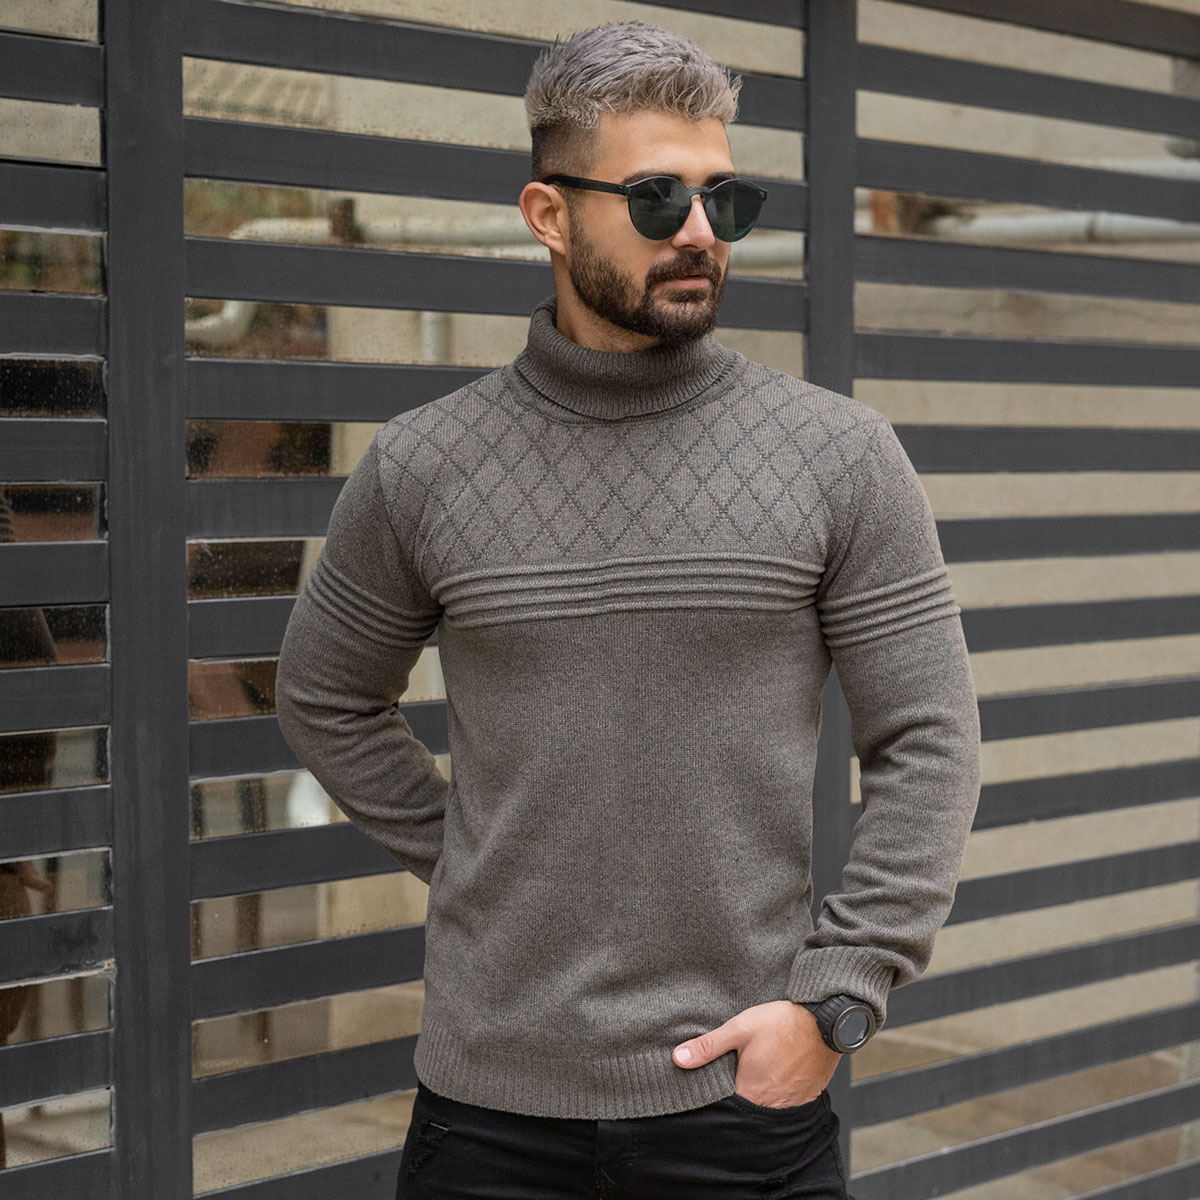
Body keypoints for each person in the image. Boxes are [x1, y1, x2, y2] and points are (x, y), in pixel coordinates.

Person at [275, 20, 980, 1199]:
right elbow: (324, 695)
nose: (700, 232)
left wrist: (839, 993)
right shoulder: (423, 466)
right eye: (657, 200)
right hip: (489, 1115)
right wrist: (478, 860)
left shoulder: (838, 456)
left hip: (739, 1110)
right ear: (549, 215)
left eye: (724, 200)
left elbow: (932, 737)